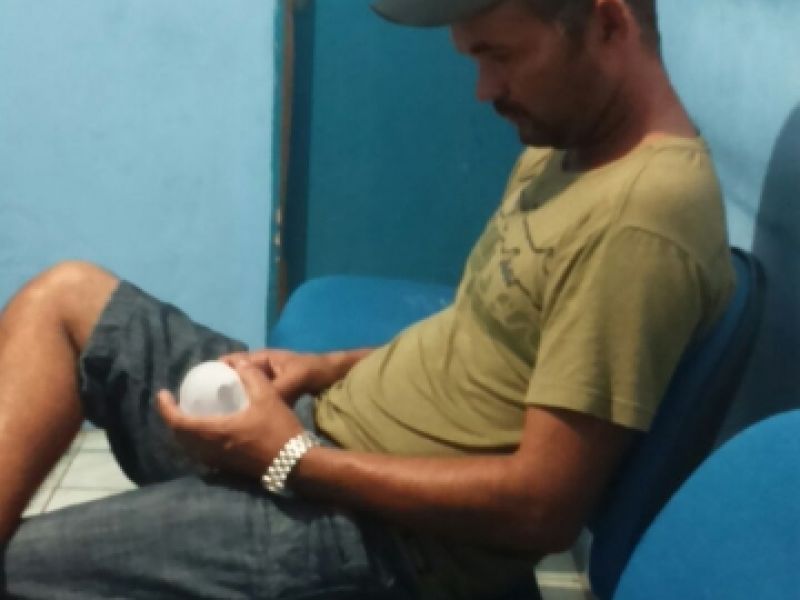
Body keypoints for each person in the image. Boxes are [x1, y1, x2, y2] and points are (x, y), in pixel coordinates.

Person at [0, 0, 734, 598]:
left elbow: (542, 508)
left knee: (21, 571)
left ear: (607, 23)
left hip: (383, 543)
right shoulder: (566, 150)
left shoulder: (640, 219)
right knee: (66, 298)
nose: (484, 90)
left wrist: (290, 458)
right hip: (325, 440)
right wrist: (322, 369)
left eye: (501, 55)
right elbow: (487, 336)